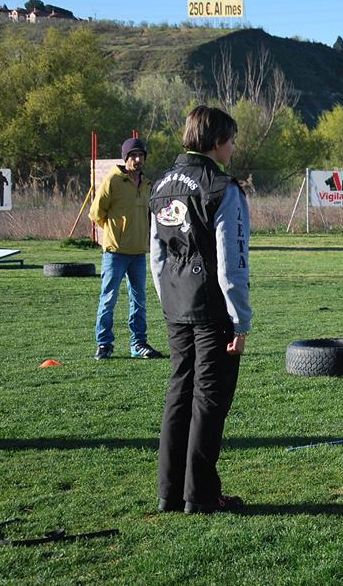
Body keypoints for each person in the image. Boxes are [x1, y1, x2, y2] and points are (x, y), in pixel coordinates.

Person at [150, 105, 251, 514]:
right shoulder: (222, 188)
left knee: (179, 394)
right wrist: (240, 321)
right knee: (209, 400)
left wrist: (168, 301)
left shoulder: (160, 185)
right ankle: (201, 495)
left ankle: (169, 493)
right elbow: (231, 262)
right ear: (216, 142)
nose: (233, 149)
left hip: (176, 303)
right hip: (212, 307)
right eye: (231, 141)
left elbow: (156, 256)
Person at [88, 138, 163, 360]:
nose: (137, 160)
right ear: (125, 158)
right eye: (133, 156)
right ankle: (104, 345)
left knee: (139, 301)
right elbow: (96, 213)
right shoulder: (113, 180)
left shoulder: (148, 185)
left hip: (138, 253)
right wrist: (114, 233)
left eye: (141, 156)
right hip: (115, 253)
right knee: (108, 299)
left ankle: (138, 344)